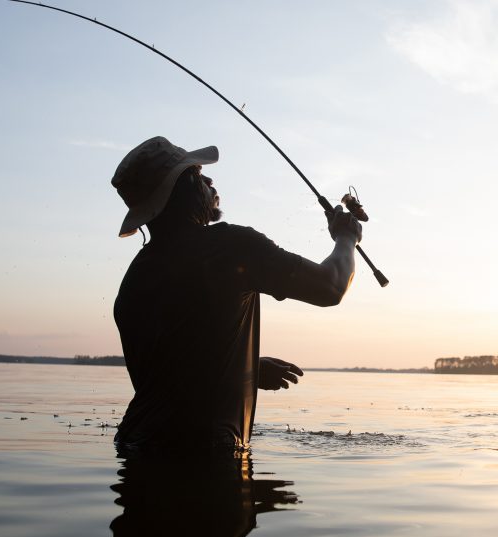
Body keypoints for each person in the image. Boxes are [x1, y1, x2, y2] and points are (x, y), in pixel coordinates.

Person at [110, 136, 361, 453]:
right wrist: (346, 239)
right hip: (203, 455)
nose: (210, 179)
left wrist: (247, 368)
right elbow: (331, 286)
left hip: (135, 446)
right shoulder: (231, 247)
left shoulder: (133, 281)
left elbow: (171, 377)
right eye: (197, 175)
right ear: (180, 191)